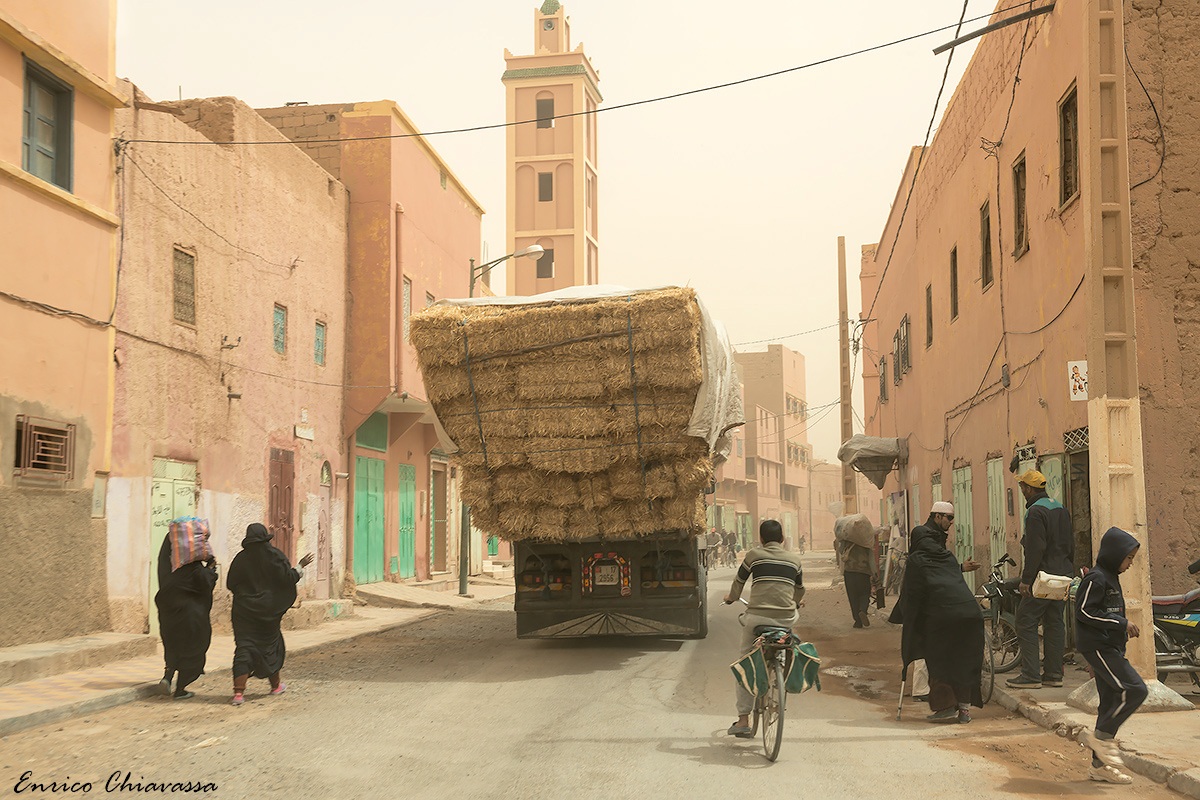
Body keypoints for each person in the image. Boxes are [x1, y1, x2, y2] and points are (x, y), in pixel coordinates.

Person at [889, 501, 983, 723]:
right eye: (948, 519)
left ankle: (945, 706)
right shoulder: (947, 557)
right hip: (970, 614)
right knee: (964, 660)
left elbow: (911, 596)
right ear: (937, 517)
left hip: (942, 617)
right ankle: (965, 711)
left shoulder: (916, 560)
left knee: (939, 660)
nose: (950, 524)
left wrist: (906, 618)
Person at [1075, 526, 1146, 785]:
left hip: (1109, 648)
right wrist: (1121, 624)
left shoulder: (1111, 577)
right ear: (1115, 554)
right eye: (1128, 558)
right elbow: (1084, 612)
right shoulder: (1096, 578)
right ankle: (1102, 737)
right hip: (1098, 646)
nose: (1130, 564)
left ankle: (1099, 766)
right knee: (1135, 690)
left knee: (1109, 701)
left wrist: (1121, 631)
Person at [722, 519, 805, 737]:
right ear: (782, 539)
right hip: (786, 618)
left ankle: (742, 720)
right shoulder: (795, 561)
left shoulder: (753, 556)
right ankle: (782, 668)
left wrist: (731, 598)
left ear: (761, 539)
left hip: (757, 618)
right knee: (788, 637)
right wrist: (796, 601)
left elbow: (738, 584)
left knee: (745, 661)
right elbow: (799, 590)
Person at [227, 523, 314, 706]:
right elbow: (288, 578)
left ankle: (238, 694)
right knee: (270, 647)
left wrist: (247, 596)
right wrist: (300, 565)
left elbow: (231, 584)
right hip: (268, 614)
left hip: (244, 613)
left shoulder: (240, 559)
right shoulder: (274, 557)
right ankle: (275, 687)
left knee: (244, 648)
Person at [1007, 469, 1075, 690]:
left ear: (1028, 488)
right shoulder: (1061, 509)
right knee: (1054, 623)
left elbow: (1035, 549)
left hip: (1043, 578)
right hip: (1062, 574)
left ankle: (1031, 675)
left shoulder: (1035, 512)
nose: (1022, 491)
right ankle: (1054, 674)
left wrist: (1026, 580)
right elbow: (1070, 544)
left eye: (1022, 488)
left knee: (1025, 621)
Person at [154, 523, 218, 700]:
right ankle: (180, 688)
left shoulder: (171, 573)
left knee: (172, 646)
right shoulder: (197, 571)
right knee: (192, 650)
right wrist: (212, 567)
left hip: (169, 615)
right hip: (191, 621)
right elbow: (208, 582)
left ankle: (167, 677)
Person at [836, 513, 877, 628]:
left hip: (849, 572)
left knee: (852, 596)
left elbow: (840, 551)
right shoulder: (866, 543)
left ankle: (857, 621)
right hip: (863, 572)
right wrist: (875, 574)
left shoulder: (846, 541)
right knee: (864, 594)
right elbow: (871, 560)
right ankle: (863, 610)